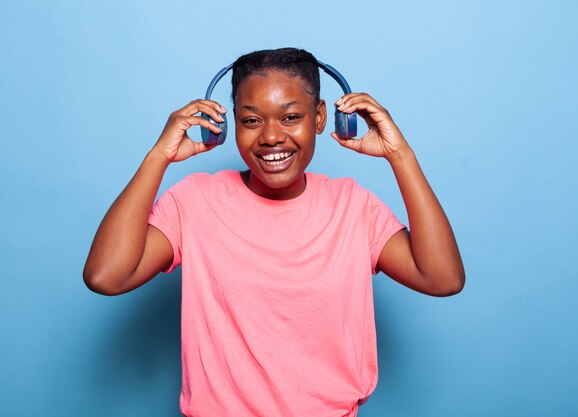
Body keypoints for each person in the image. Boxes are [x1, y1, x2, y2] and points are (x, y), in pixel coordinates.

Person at [83, 47, 465, 417]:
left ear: (319, 118)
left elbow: (442, 278)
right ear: (229, 123)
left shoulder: (354, 207)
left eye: (289, 117)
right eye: (251, 120)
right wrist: (158, 157)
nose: (270, 137)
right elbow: (106, 275)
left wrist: (401, 154)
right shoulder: (194, 201)